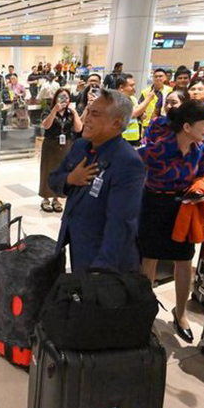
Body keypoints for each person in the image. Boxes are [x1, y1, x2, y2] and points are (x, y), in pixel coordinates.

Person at [137, 100, 204, 343]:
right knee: (150, 259)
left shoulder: (201, 148)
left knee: (184, 259)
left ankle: (180, 314)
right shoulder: (158, 148)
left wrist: (200, 186)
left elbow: (201, 174)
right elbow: (132, 162)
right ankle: (145, 315)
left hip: (184, 207)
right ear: (187, 126)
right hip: (154, 205)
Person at [48, 89, 145, 273]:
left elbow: (121, 224)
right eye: (88, 112)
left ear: (116, 123)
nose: (86, 119)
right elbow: (53, 180)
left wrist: (100, 270)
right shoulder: (80, 146)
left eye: (95, 114)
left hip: (106, 260)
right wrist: (71, 179)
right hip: (78, 244)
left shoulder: (127, 162)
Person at [39, 88, 82, 213]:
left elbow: (78, 129)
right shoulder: (49, 110)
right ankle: (46, 197)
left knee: (62, 171)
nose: (64, 100)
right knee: (48, 170)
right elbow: (46, 125)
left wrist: (74, 113)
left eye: (67, 97)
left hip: (66, 144)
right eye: (61, 97)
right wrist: (54, 111)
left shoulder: (70, 113)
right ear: (56, 98)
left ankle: (57, 198)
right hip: (51, 144)